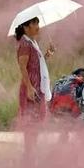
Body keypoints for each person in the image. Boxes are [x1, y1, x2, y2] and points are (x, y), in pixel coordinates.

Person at [15, 17, 55, 156]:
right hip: (31, 88)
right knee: (31, 123)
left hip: (37, 87)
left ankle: (31, 154)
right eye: (34, 23)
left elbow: (37, 64)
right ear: (26, 27)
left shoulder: (32, 42)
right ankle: (29, 155)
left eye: (38, 22)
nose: (37, 26)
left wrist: (47, 55)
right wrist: (29, 87)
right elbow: (22, 66)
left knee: (36, 122)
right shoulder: (25, 44)